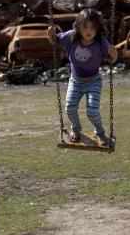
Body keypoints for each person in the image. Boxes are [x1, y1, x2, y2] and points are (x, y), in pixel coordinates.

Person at [46, 8, 119, 147]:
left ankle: (100, 132)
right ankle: (76, 129)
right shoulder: (71, 37)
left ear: (97, 28)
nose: (88, 31)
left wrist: (114, 55)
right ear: (78, 26)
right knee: (70, 108)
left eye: (92, 27)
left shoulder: (101, 42)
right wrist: (51, 36)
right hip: (76, 81)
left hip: (94, 81)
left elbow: (112, 59)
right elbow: (55, 41)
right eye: (85, 26)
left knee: (92, 111)